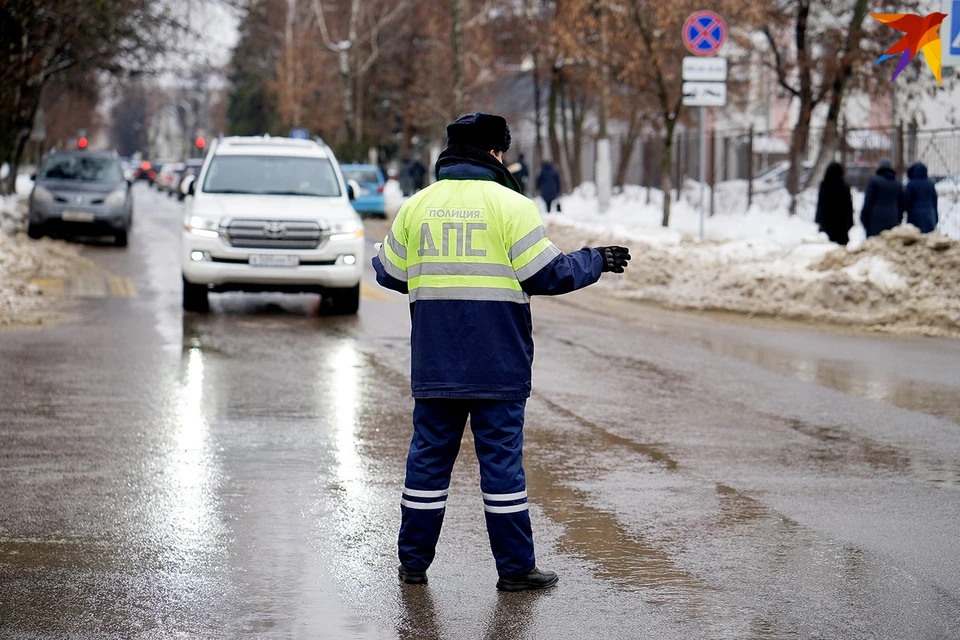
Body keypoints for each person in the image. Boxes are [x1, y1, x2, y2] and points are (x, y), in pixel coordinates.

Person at [372, 112, 631, 592]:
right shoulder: (512, 205)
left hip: (436, 363)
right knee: (501, 468)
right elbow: (545, 274)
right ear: (494, 152)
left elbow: (387, 271)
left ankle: (413, 564)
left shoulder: (417, 205)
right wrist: (594, 259)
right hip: (498, 364)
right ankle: (514, 569)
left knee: (427, 463)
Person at [860, 158, 903, 238]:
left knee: (875, 246)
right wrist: (898, 219)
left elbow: (868, 201)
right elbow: (901, 204)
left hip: (875, 220)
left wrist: (863, 218)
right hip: (893, 218)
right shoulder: (897, 183)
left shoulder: (874, 181)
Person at [814, 162, 854, 245]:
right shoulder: (845, 187)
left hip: (826, 224)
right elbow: (849, 207)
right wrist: (850, 223)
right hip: (841, 226)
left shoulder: (824, 186)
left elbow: (820, 205)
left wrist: (818, 219)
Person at [902, 162, 939, 233]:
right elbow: (934, 202)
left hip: (915, 216)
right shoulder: (930, 184)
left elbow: (906, 201)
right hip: (930, 215)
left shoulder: (911, 184)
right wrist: (936, 217)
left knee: (915, 239)